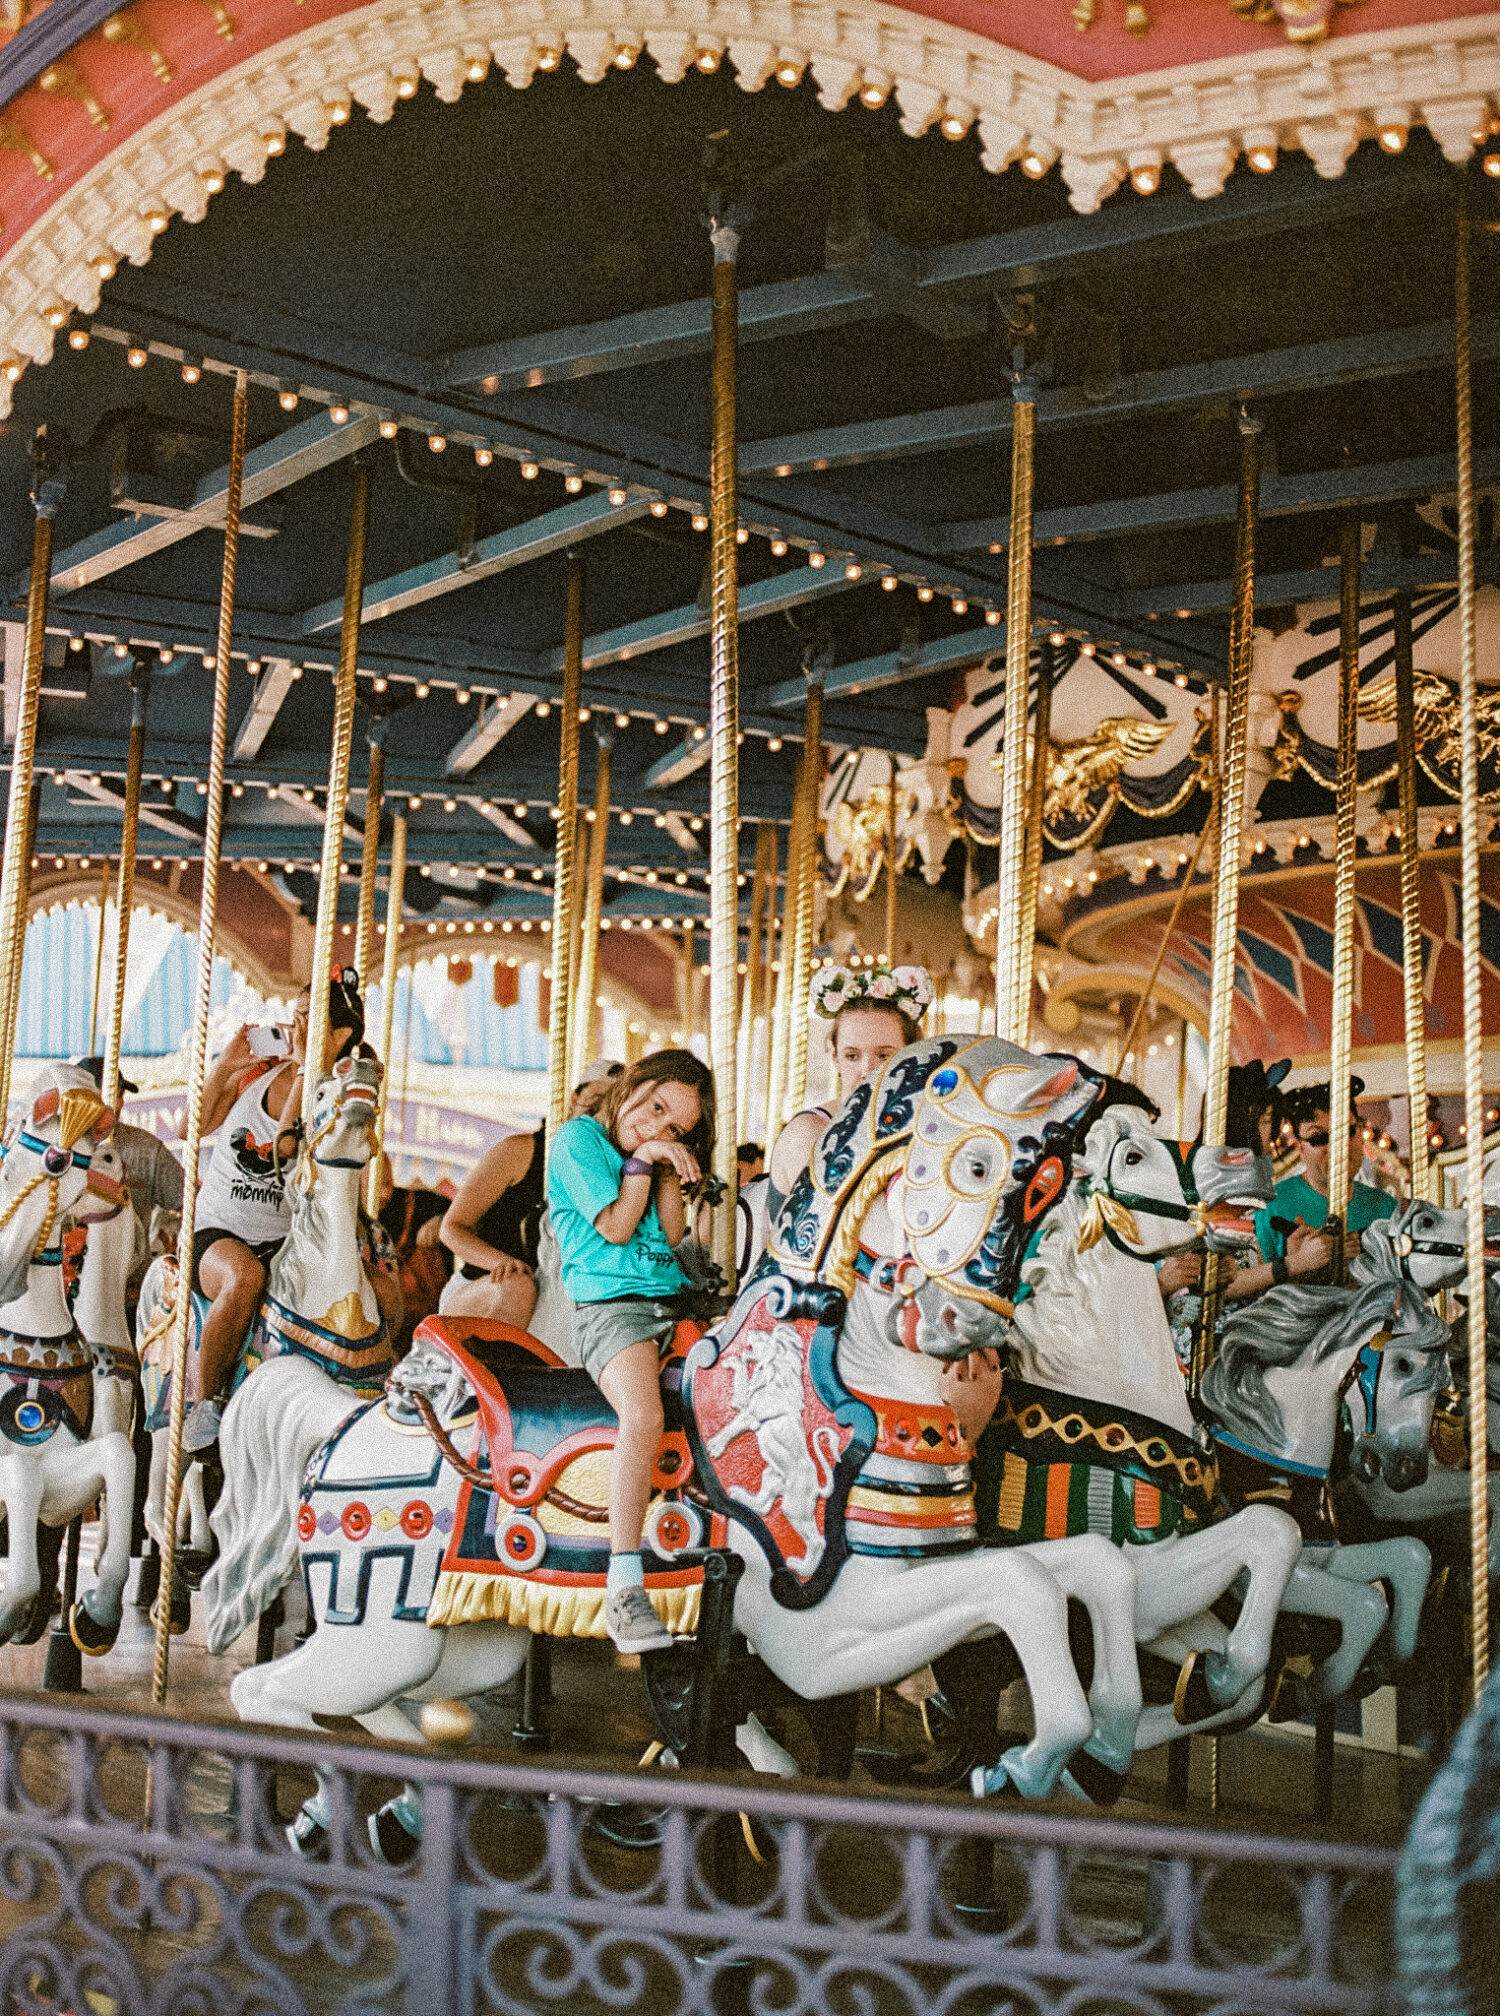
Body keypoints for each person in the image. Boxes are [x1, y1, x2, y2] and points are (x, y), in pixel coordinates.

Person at [546, 1049, 715, 1654]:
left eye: (677, 1127)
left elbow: (669, 1236)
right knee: (642, 1415)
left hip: (673, 1304)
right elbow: (617, 1227)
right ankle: (623, 1583)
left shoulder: (653, 1153)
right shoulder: (577, 1141)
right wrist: (646, 1157)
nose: (658, 1125)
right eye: (656, 1106)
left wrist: (667, 1165)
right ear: (634, 1084)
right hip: (612, 1310)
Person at [182, 970, 365, 1452]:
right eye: (296, 1016)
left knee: (380, 1297)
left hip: (290, 1239)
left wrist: (310, 1070)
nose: (295, 1026)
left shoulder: (341, 1087)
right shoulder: (260, 1072)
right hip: (221, 1229)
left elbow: (296, 1152)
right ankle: (205, 1404)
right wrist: (225, 1066)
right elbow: (191, 1127)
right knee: (243, 1278)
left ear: (340, 1035)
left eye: (309, 1019)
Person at [1254, 1075, 1396, 1278]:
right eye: (1319, 1138)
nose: (1337, 1147)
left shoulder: (1386, 1208)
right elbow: (1256, 1297)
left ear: (1361, 1134)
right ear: (1300, 1149)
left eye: (1347, 1131)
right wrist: (1297, 1264)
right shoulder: (1270, 1206)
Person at [74, 1056, 184, 1311]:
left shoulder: (146, 1149)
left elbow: (192, 1201)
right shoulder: (56, 1148)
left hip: (128, 1290)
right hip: (65, 1281)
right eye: (108, 1095)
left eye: (120, 1095)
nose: (117, 1104)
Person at [437, 1121, 546, 1328]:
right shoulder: (522, 1151)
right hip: (490, 1289)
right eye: (596, 1098)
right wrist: (503, 1263)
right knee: (518, 1287)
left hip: (546, 1297)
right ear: (574, 1099)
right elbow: (451, 1228)